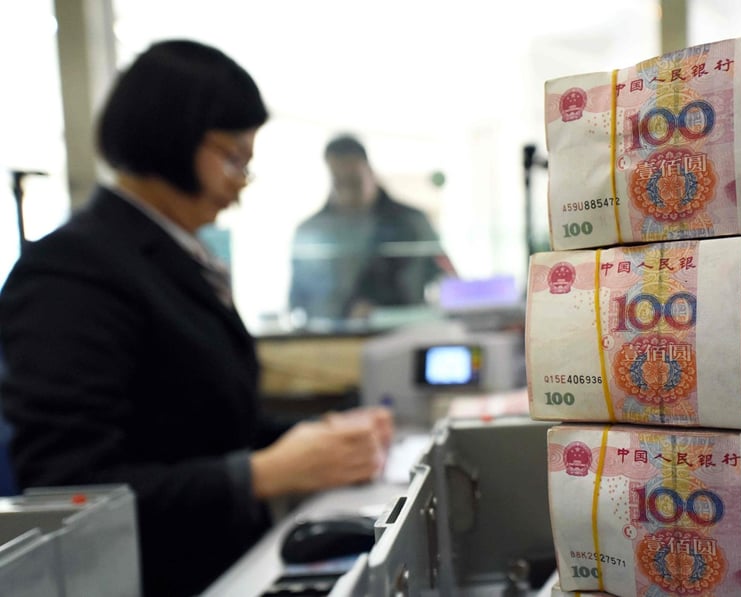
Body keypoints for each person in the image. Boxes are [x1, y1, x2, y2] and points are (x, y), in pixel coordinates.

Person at [0, 40, 392, 597]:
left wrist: (315, 439)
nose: (239, 183)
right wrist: (265, 473)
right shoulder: (71, 271)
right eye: (234, 157)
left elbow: (205, 425)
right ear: (172, 135)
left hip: (228, 561)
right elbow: (71, 487)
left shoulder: (171, 256)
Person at [289, 134, 452, 322]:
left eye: (353, 181)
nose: (347, 192)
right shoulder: (311, 232)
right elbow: (297, 303)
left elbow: (446, 279)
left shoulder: (411, 223)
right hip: (332, 342)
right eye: (339, 183)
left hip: (402, 334)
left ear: (369, 172)